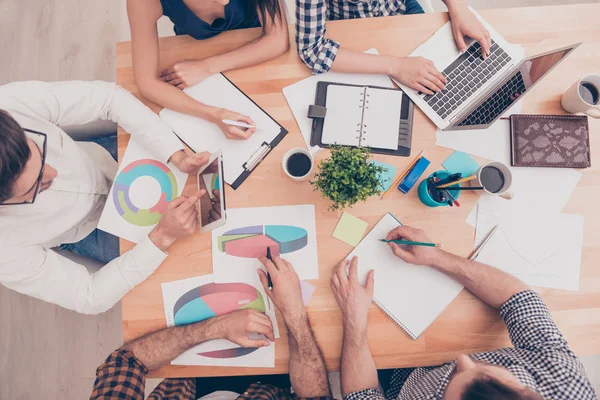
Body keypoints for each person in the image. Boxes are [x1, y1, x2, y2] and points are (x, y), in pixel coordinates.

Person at [0, 81, 211, 315]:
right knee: (191, 260)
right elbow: (90, 297)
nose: (54, 173)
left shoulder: (8, 103)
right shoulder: (5, 252)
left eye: (41, 151)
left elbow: (110, 98)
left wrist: (175, 153)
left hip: (103, 159)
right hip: (88, 230)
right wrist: (161, 237)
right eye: (37, 185)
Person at [331, 225, 597, 399]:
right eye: (488, 370)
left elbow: (362, 395)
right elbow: (519, 300)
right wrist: (437, 258)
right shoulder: (564, 382)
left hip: (399, 387)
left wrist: (354, 320)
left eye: (453, 383)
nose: (461, 360)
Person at [90, 255, 332, 400]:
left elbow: (126, 361)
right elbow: (314, 397)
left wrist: (215, 328)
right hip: (274, 381)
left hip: (191, 377)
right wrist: (294, 312)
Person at [127, 0, 289, 140]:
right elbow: (146, 83)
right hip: (199, 55)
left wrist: (205, 67)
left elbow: (277, 40)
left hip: (259, 58)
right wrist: (214, 115)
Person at [296, 0, 492, 95]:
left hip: (402, 9)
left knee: (441, 84)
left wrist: (458, 8)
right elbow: (312, 50)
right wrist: (395, 66)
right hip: (351, 30)